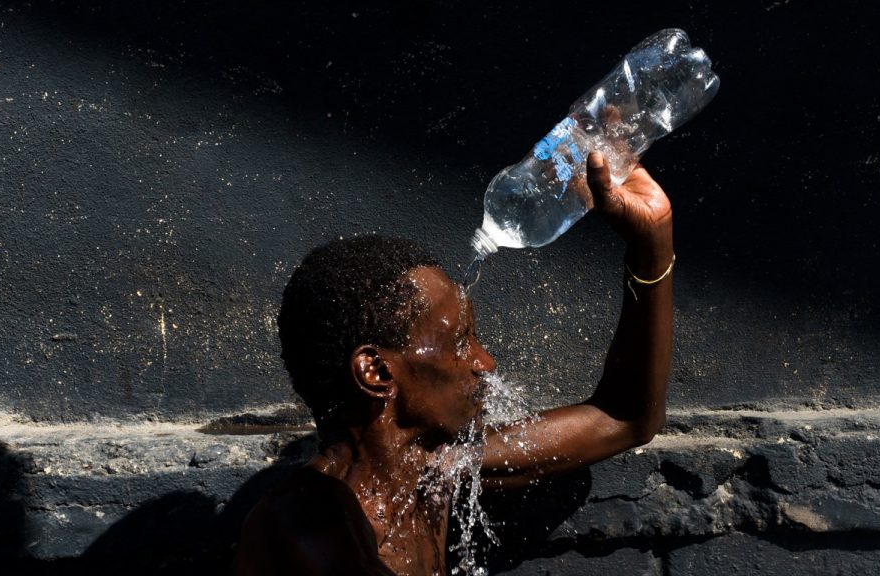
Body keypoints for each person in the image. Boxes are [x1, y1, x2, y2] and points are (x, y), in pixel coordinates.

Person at [233, 151, 674, 575]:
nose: (485, 362)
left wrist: (651, 239)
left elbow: (626, 417)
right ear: (378, 373)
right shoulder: (303, 527)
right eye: (461, 343)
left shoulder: (434, 471)